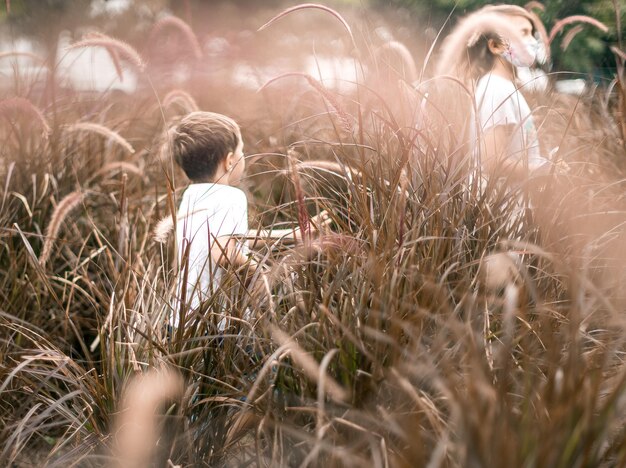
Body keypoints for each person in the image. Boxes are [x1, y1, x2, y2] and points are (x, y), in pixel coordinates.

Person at [165, 111, 326, 329]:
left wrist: (292, 234)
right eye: (243, 151)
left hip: (182, 319)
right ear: (230, 161)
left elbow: (227, 239)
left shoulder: (190, 196)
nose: (244, 156)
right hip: (218, 322)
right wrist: (263, 275)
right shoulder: (231, 197)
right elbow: (223, 251)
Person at [434, 4, 567, 178]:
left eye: (532, 33)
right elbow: (493, 163)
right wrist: (545, 170)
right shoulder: (495, 89)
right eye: (523, 33)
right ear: (496, 46)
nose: (533, 41)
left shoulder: (504, 86)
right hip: (498, 202)